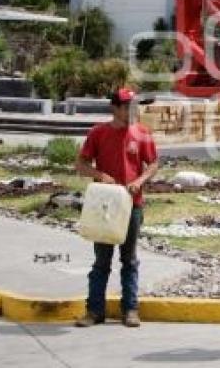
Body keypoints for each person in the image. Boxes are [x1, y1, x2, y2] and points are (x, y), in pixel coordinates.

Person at [75, 87, 158, 328]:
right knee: (101, 261)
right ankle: (94, 311)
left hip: (132, 205)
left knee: (129, 259)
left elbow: (152, 164)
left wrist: (139, 181)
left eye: (134, 106)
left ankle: (130, 309)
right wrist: (100, 174)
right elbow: (81, 164)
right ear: (115, 108)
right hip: (105, 206)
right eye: (126, 106)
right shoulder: (98, 133)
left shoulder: (141, 133)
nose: (131, 111)